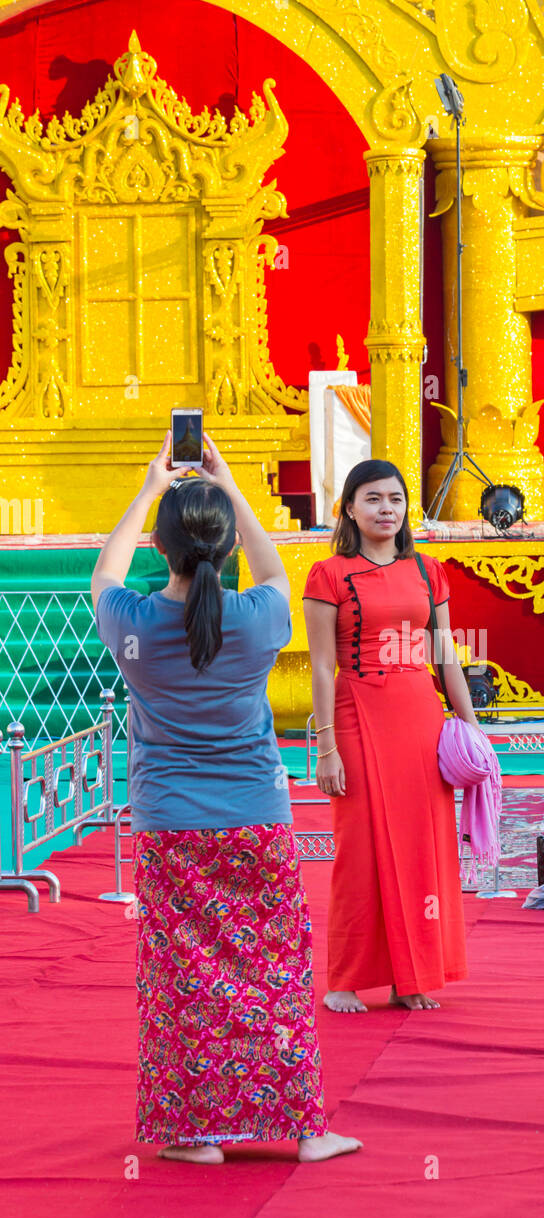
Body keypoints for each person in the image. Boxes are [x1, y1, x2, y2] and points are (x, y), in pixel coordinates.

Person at [92, 430, 361, 1166]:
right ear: (224, 545)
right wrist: (232, 484)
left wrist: (150, 489)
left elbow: (101, 575)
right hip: (256, 814)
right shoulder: (255, 619)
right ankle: (303, 1127)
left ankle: (196, 1132)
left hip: (170, 820)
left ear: (160, 545)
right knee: (274, 964)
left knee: (182, 975)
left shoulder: (135, 623)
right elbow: (276, 566)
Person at [302, 459, 481, 1013]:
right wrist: (326, 747)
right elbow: (322, 666)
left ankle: (411, 975)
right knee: (360, 849)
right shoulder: (328, 575)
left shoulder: (430, 571)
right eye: (374, 499)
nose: (387, 509)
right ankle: (344, 980)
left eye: (397, 500)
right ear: (350, 507)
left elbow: (445, 654)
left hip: (422, 718)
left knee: (422, 848)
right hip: (357, 715)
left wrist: (472, 729)